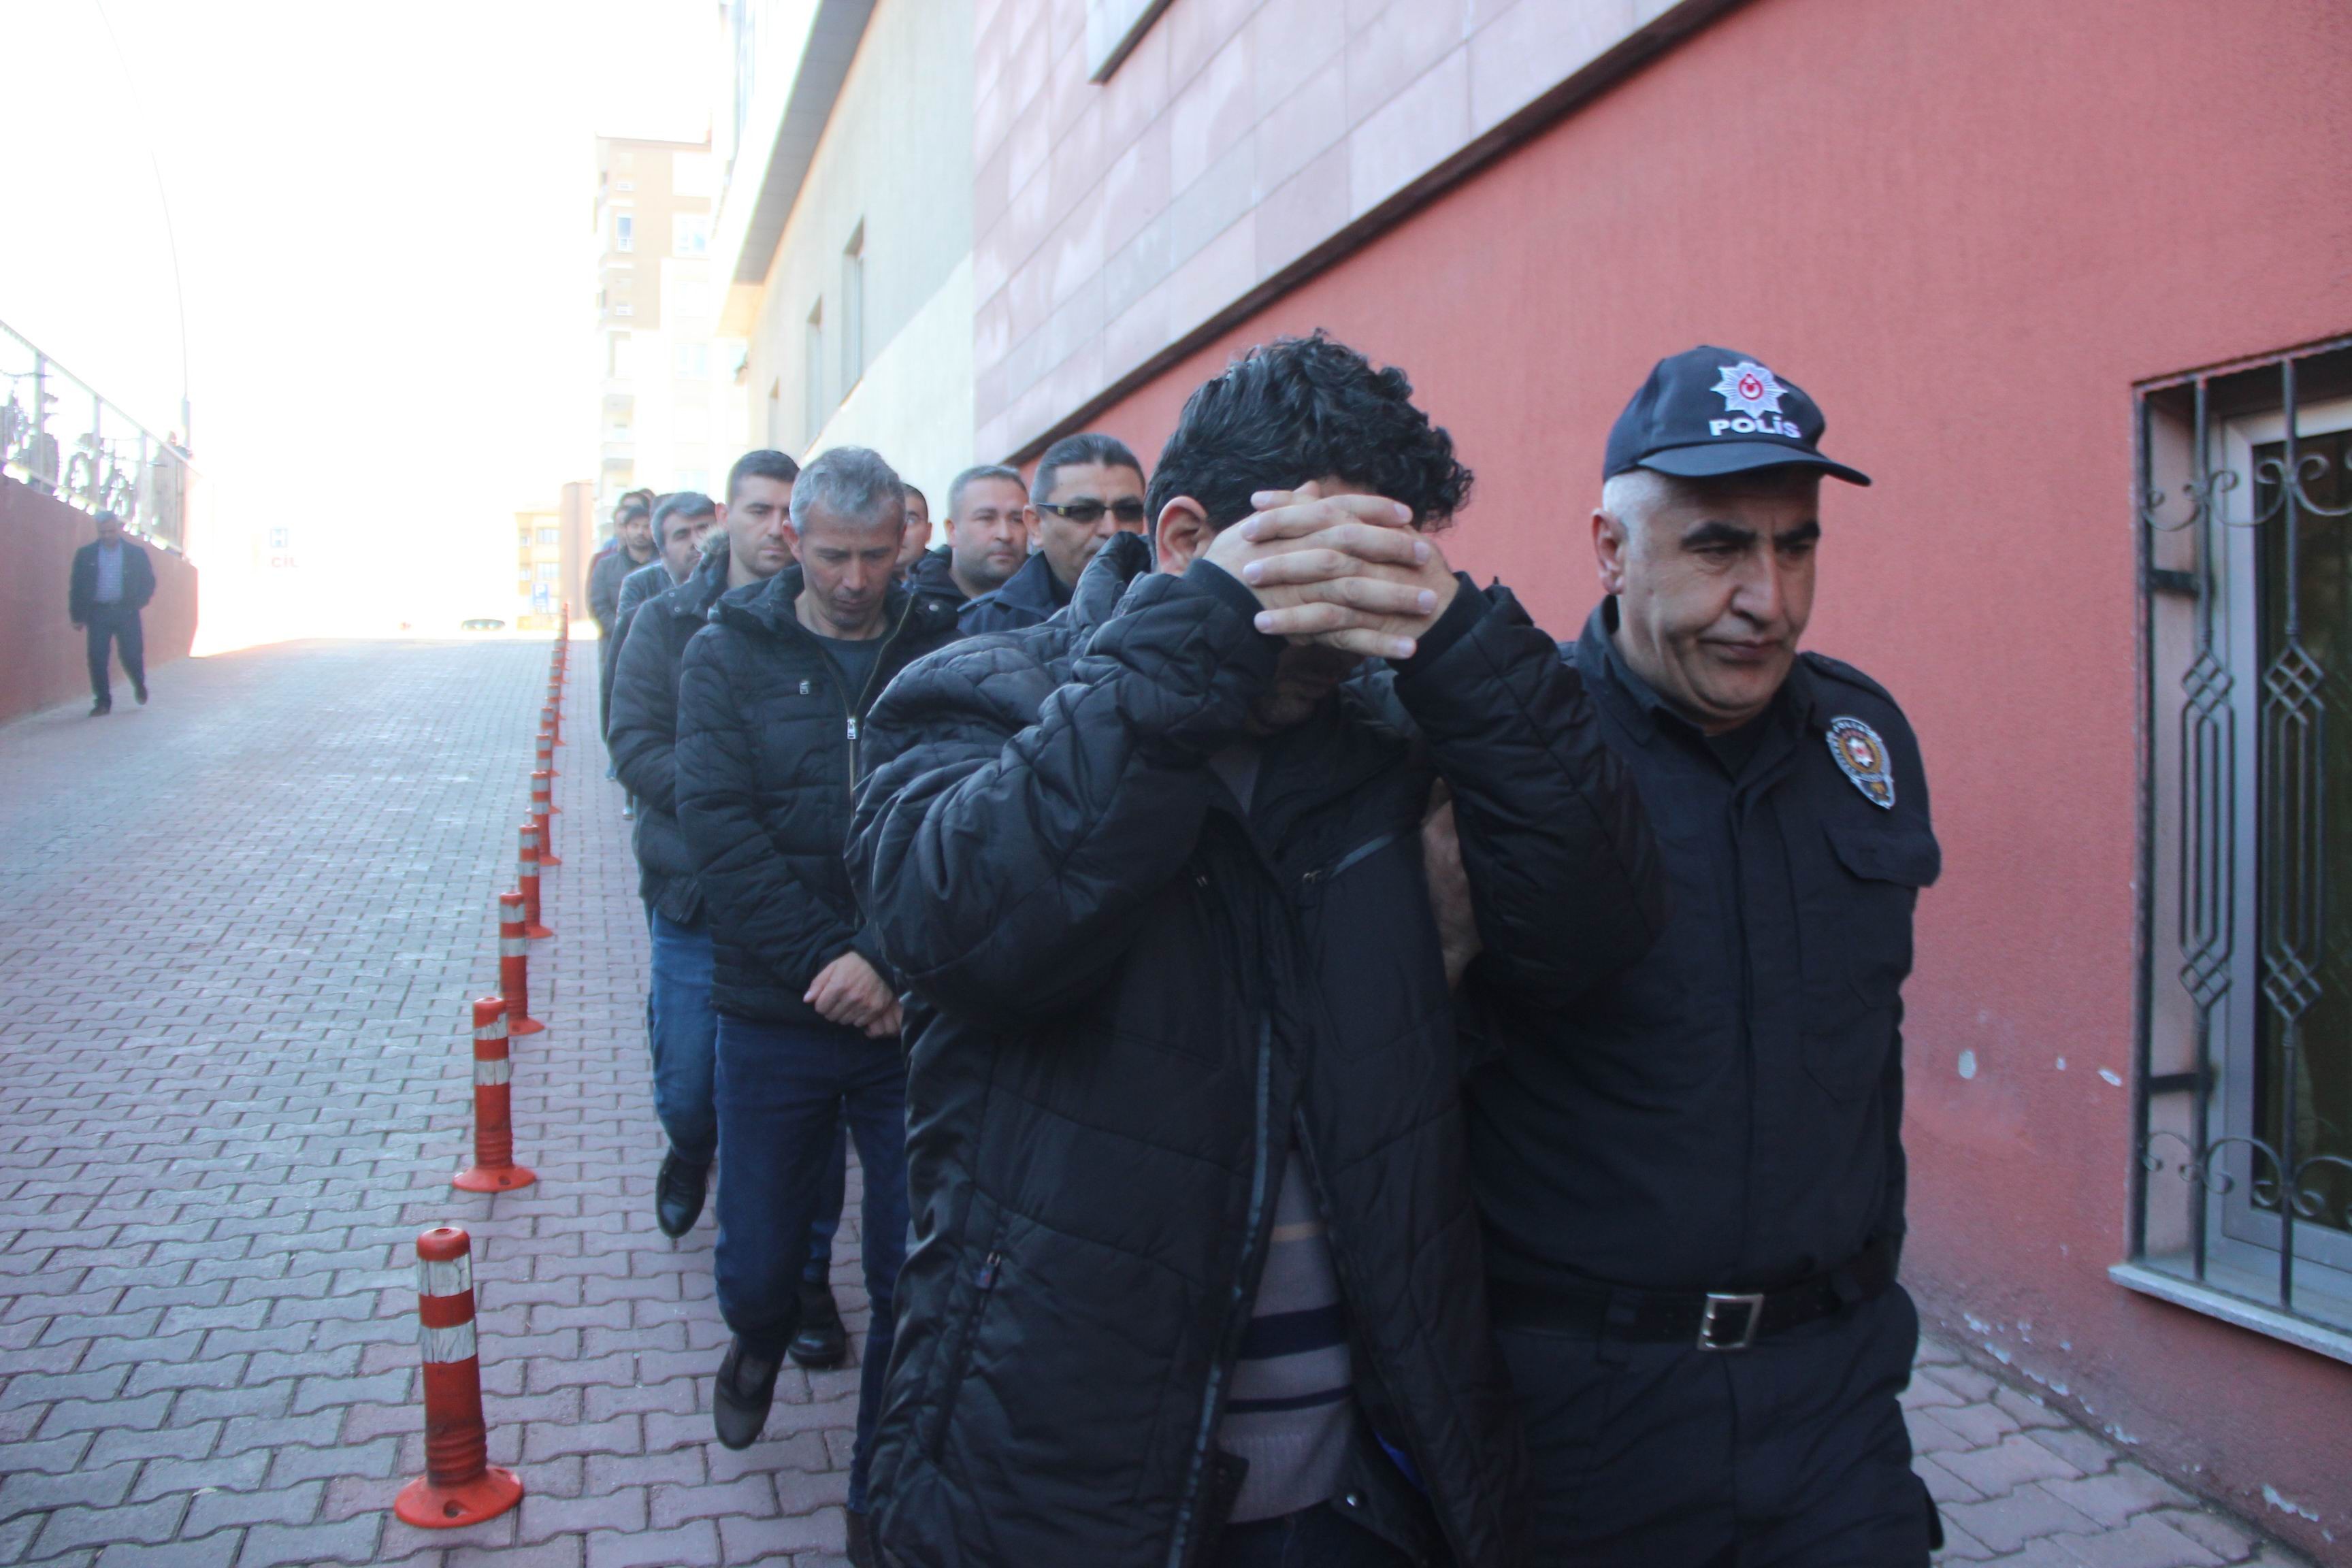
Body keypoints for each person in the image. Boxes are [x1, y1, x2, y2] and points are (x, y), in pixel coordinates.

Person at [847, 333, 1663, 1568]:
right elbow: (958, 932)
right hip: (1067, 1472)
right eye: (1320, 561)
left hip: (1366, 1485)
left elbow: (1597, 922)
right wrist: (1203, 639)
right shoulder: (982, 693)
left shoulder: (1391, 733)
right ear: (1187, 540)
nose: (1349, 621)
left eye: (1385, 565)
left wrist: (1461, 651)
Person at [1467, 346, 1942, 1567]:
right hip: (1585, 1418)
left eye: (1798, 546)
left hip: (1834, 1406)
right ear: (1611, 549)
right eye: (1721, 546)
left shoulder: (1859, 733)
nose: (1769, 599)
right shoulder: (1516, 762)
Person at [674, 448, 964, 1552]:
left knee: (906, 1269)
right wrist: (829, 964)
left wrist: (888, 959)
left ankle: (872, 1494)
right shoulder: (725, 653)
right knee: (758, 1257)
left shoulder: (941, 645)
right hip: (773, 1011)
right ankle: (753, 1335)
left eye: (877, 554)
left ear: (905, 540)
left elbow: (968, 805)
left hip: (906, 1017)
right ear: (792, 538)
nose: (855, 578)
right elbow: (720, 830)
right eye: (834, 554)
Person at [958, 431, 1147, 633]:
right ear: (1036, 524)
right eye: (1083, 511)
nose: (1111, 529)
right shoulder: (983, 628)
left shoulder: (1178, 601)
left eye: (1128, 511)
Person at [604, 491, 717, 744]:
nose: (697, 542)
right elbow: (626, 730)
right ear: (662, 554)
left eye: (705, 529)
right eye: (682, 535)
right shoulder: (645, 616)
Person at [68, 509, 157, 717]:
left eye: (110, 531)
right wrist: (77, 616)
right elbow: (77, 587)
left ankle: (139, 683)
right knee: (97, 657)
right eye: (102, 533)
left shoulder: (136, 554)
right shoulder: (86, 555)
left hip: (126, 611)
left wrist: (138, 602)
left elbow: (149, 582)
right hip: (98, 612)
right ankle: (103, 702)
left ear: (118, 529)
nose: (107, 536)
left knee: (131, 655)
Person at [904, 463, 1026, 612]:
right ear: (952, 530)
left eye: (1017, 520)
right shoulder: (907, 610)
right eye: (987, 518)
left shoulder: (1055, 605)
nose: (1005, 534)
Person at [592, 494, 659, 747]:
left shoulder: (664, 567)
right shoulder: (606, 566)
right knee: (615, 703)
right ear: (624, 530)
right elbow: (599, 606)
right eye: (635, 526)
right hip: (614, 650)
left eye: (646, 526)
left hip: (653, 651)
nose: (641, 533)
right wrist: (624, 632)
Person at [894, 483, 932, 583]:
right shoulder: (855, 585)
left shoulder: (955, 584)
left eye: (911, 520)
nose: (899, 531)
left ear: (928, 531)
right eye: (888, 520)